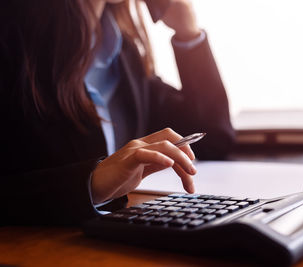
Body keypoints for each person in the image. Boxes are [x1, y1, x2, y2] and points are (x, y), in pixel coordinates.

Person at [0, 0, 234, 225]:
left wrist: (188, 34)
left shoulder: (125, 56)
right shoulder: (11, 40)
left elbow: (212, 139)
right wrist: (90, 184)